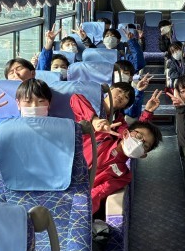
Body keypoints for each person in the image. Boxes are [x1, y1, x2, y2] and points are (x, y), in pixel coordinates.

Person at [70, 85, 163, 214]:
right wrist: (94, 120)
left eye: (145, 146)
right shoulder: (98, 134)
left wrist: (79, 211)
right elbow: (76, 98)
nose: (138, 143)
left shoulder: (124, 175)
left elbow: (99, 193)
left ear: (143, 155)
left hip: (76, 204)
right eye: (119, 91)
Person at [76, 26, 145, 72]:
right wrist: (84, 38)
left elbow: (138, 63)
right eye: (107, 36)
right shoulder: (98, 55)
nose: (110, 38)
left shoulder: (123, 57)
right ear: (103, 40)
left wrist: (131, 41)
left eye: (113, 36)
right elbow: (92, 51)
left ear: (118, 40)